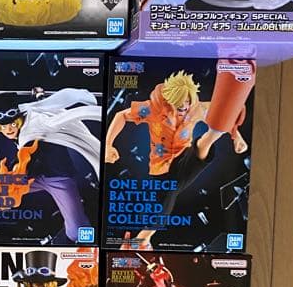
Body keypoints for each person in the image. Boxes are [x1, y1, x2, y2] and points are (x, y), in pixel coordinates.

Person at [104, 67, 251, 249]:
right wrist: (108, 145)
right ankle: (140, 241)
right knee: (167, 195)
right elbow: (121, 115)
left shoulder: (196, 109)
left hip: (185, 158)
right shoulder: (153, 109)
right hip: (161, 168)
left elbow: (223, 114)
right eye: (179, 105)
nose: (184, 108)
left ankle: (212, 136)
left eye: (187, 103)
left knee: (202, 146)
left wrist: (236, 136)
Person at [0, 89, 101, 243]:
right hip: (33, 177)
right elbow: (40, 105)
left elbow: (25, 157)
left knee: (77, 230)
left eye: (12, 124)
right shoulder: (29, 114)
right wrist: (38, 94)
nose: (8, 130)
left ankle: (73, 242)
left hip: (58, 179)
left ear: (19, 120)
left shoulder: (34, 126)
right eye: (3, 126)